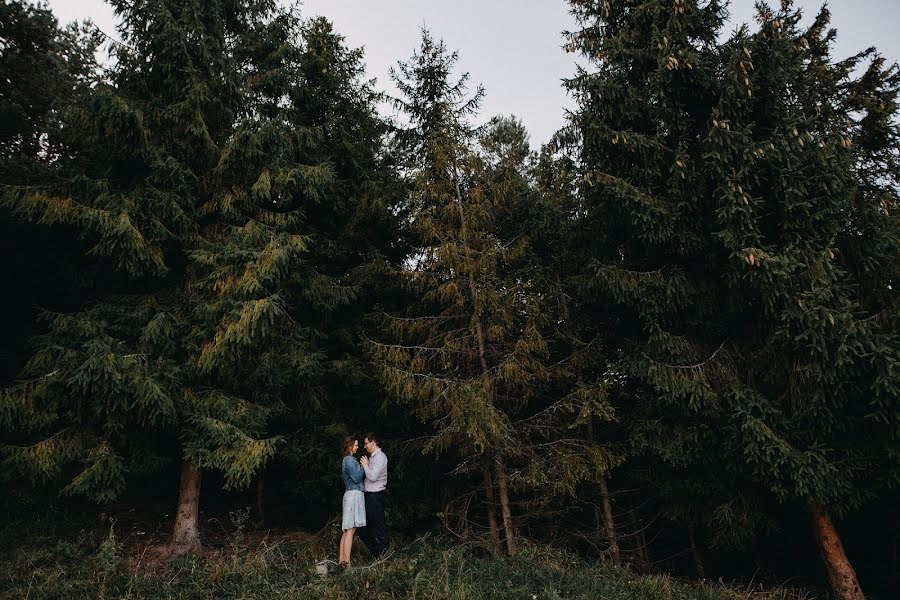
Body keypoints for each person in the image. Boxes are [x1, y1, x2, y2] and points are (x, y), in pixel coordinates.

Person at [358, 432, 390, 557]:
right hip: (369, 496)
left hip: (376, 496)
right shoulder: (372, 457)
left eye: (366, 443)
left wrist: (365, 466)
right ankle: (377, 552)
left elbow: (372, 477)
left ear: (373, 442)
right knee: (364, 527)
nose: (365, 446)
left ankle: (384, 555)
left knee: (379, 526)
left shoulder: (380, 457)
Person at [338, 435, 365, 567]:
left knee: (347, 529)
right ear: (350, 447)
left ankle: (341, 561)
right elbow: (356, 477)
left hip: (350, 494)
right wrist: (364, 466)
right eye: (356, 445)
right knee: (350, 529)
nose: (358, 447)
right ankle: (347, 563)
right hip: (353, 494)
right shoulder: (349, 460)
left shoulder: (347, 460)